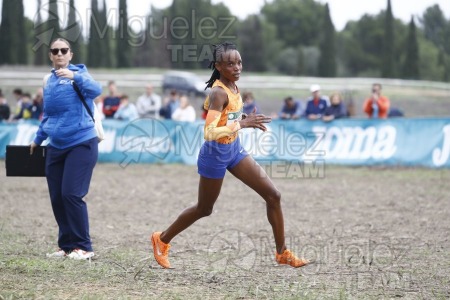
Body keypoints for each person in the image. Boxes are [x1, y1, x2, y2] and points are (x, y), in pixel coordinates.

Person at [150, 42, 309, 269]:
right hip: (215, 154)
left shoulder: (232, 86)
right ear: (218, 66)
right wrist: (243, 123)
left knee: (273, 195)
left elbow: (226, 115)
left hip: (234, 149)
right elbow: (209, 132)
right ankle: (162, 239)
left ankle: (282, 253)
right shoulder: (218, 92)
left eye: (239, 62)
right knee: (204, 209)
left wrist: (243, 118)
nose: (237, 67)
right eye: (230, 64)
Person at [30, 38, 102, 260]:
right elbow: (48, 115)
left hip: (81, 143)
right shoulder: (49, 82)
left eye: (64, 50)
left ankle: (84, 247)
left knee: (71, 194)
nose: (59, 54)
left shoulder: (80, 74)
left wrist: (75, 77)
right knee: (57, 197)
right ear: (51, 56)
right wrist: (37, 139)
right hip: (56, 147)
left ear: (71, 54)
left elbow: (96, 90)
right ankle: (67, 246)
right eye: (55, 51)